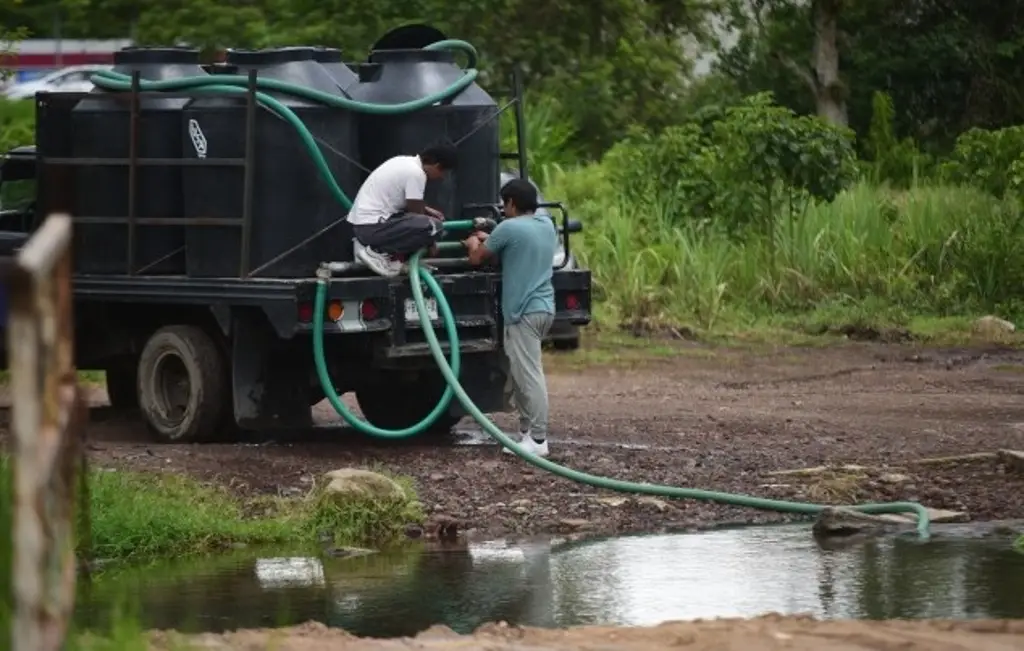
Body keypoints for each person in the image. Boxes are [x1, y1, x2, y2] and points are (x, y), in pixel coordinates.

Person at [463, 179, 556, 457]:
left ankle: (538, 440)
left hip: (523, 311)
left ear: (512, 203)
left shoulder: (509, 228)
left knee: (529, 375)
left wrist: (472, 242)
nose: (503, 209)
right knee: (521, 372)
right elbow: (513, 250)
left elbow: (478, 259)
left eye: (505, 204)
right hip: (544, 308)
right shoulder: (546, 226)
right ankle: (527, 434)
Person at [346, 143, 459, 277]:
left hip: (366, 226)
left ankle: (392, 258)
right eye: (443, 172)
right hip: (372, 229)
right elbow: (416, 213)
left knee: (427, 223)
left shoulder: (404, 162)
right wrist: (431, 242)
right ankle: (376, 253)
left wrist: (427, 210)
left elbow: (406, 202)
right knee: (435, 226)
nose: (442, 177)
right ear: (436, 165)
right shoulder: (416, 174)